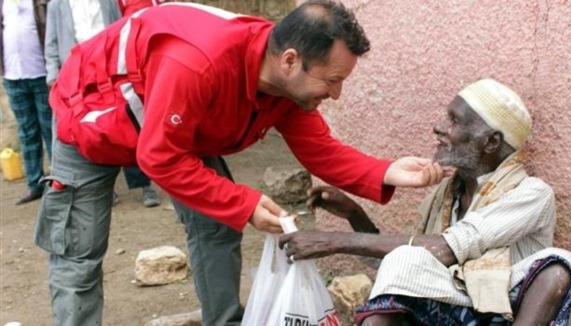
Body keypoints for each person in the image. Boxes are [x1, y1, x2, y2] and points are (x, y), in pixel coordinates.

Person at [33, 1, 451, 325]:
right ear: (290, 60)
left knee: (217, 227)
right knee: (78, 252)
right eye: (331, 81)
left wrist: (386, 171)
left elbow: (320, 149)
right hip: (91, 121)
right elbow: (159, 157)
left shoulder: (285, 86)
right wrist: (244, 203)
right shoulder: (198, 64)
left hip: (180, 129)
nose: (336, 94)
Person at [280, 79, 571, 325]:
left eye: (453, 120)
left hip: (502, 312)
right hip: (450, 308)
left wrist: (332, 241)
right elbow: (402, 262)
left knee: (561, 266)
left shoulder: (531, 193)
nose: (438, 128)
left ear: (490, 142)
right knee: (405, 262)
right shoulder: (447, 194)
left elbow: (444, 248)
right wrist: (353, 213)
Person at [45, 0, 160, 208]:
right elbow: (51, 43)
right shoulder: (57, 5)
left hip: (110, 69)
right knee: (90, 132)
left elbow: (122, 26)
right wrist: (53, 75)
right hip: (78, 75)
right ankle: (108, 189)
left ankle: (144, 185)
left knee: (127, 126)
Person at [1, 0, 52, 205]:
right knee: (27, 131)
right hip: (14, 76)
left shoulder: (41, 2)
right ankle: (35, 184)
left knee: (50, 130)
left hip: (41, 74)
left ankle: (59, 181)